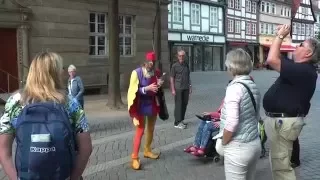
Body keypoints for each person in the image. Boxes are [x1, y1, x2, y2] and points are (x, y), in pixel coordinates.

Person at [0, 52, 92, 180]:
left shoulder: (14, 102)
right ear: (54, 73)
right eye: (61, 68)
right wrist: (73, 177)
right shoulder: (70, 103)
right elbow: (86, 148)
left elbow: (3, 151)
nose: (63, 71)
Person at [263, 24, 319, 180]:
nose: (296, 46)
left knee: (282, 170)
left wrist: (280, 36)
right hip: (281, 122)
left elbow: (272, 59)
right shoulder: (299, 69)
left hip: (283, 123)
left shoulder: (305, 70)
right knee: (279, 166)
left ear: (308, 53)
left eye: (301, 45)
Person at [218, 48, 262, 180]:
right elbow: (256, 116)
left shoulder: (234, 88)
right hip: (254, 143)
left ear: (231, 66)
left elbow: (232, 123)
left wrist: (224, 143)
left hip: (238, 147)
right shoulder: (252, 85)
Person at [127, 51, 164, 170]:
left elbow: (157, 87)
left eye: (153, 62)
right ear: (144, 62)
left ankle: (147, 150)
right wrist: (146, 88)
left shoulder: (156, 72)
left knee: (151, 128)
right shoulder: (136, 73)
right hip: (140, 104)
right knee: (140, 130)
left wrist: (159, 84)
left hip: (152, 103)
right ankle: (134, 158)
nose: (151, 64)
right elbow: (133, 90)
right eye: (149, 62)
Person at [170, 50, 192, 129]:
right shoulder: (174, 66)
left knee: (184, 104)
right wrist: (173, 89)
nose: (181, 57)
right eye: (180, 55)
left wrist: (190, 86)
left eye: (183, 56)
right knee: (178, 105)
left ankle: (181, 120)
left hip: (186, 88)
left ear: (185, 56)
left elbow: (188, 76)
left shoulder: (186, 65)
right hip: (178, 88)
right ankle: (176, 122)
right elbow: (172, 78)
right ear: (177, 56)